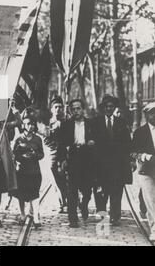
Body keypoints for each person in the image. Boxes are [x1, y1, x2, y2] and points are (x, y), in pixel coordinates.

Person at [93, 95, 133, 226]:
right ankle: (102, 214)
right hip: (100, 164)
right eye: (106, 106)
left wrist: (129, 160)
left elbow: (128, 143)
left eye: (111, 106)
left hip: (117, 164)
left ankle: (115, 216)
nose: (109, 108)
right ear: (103, 108)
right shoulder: (96, 122)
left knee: (116, 190)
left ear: (114, 108)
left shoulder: (121, 122)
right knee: (101, 191)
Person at [61, 99, 96, 228]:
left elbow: (97, 139)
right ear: (71, 110)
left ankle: (84, 204)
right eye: (73, 109)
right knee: (72, 190)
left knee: (87, 189)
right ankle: (73, 219)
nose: (76, 111)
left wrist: (93, 142)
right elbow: (61, 144)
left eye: (78, 108)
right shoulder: (66, 124)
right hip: (73, 157)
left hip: (87, 158)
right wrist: (63, 159)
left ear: (83, 109)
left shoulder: (91, 123)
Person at [12, 114, 44, 228]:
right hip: (22, 171)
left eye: (32, 124)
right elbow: (13, 154)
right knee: (21, 193)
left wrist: (35, 155)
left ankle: (35, 217)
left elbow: (42, 155)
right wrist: (21, 157)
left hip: (34, 171)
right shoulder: (19, 139)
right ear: (23, 125)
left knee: (34, 194)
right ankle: (22, 214)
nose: (30, 126)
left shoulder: (38, 139)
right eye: (27, 124)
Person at [131, 102, 155, 242]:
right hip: (146, 171)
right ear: (146, 115)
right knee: (151, 200)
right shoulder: (140, 132)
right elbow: (132, 152)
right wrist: (142, 156)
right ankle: (154, 229)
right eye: (151, 112)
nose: (154, 115)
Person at [45, 96, 68, 214]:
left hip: (65, 154)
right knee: (54, 178)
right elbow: (45, 139)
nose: (58, 109)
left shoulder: (67, 122)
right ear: (52, 109)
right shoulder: (48, 123)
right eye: (56, 107)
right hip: (52, 154)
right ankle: (59, 202)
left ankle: (66, 199)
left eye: (60, 107)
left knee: (64, 178)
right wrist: (54, 145)